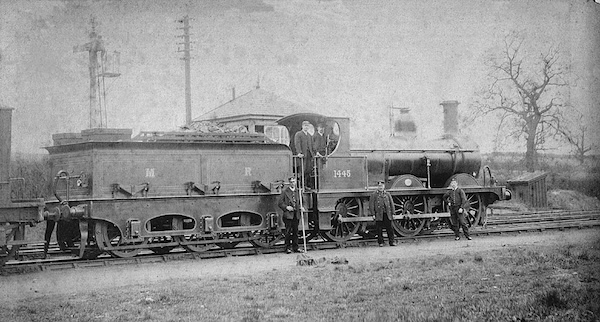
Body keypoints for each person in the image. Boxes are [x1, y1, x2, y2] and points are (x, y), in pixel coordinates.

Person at [278, 176, 304, 253]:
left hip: (296, 214)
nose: (293, 183)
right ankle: (287, 248)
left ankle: (296, 247)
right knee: (288, 232)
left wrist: (302, 207)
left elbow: (303, 201)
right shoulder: (285, 192)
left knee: (296, 232)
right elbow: (280, 203)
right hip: (288, 215)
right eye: (291, 182)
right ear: (289, 183)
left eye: (294, 181)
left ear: (296, 182)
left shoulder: (298, 191)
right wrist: (286, 207)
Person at [369, 180, 396, 247]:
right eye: (379, 186)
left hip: (387, 213)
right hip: (379, 214)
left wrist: (393, 213)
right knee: (379, 229)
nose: (380, 187)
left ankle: (392, 241)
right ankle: (381, 242)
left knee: (390, 228)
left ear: (384, 186)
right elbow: (371, 205)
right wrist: (373, 214)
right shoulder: (374, 194)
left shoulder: (387, 194)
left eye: (382, 186)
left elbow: (391, 204)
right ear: (377, 187)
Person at [293, 120, 314, 188]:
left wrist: (313, 153)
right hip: (302, 155)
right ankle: (301, 185)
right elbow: (297, 144)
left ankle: (306, 185)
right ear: (302, 126)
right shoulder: (298, 134)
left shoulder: (309, 135)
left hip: (309, 155)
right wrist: (299, 152)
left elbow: (311, 146)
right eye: (305, 126)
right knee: (302, 170)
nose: (306, 127)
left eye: (307, 126)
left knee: (308, 170)